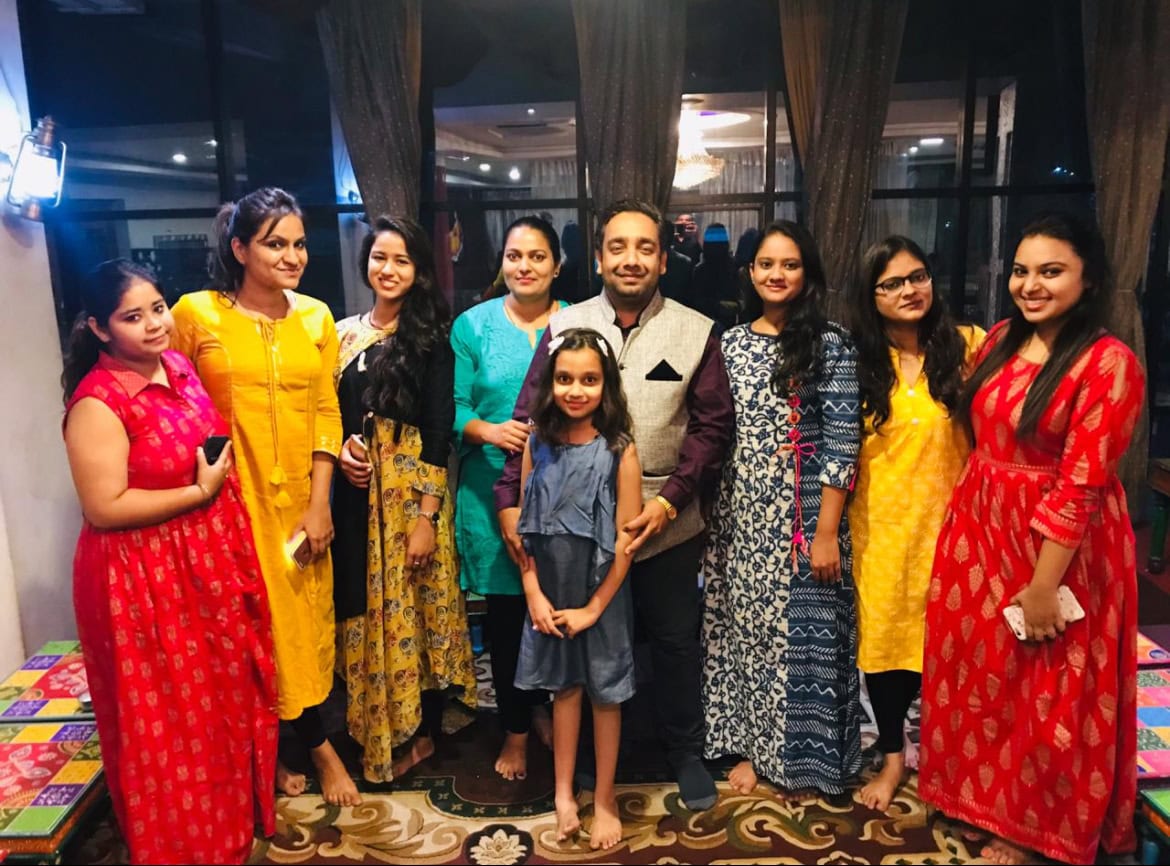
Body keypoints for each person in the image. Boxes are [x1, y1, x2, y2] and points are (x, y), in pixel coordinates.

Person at [495, 198, 734, 812]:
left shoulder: (696, 330)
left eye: (645, 248)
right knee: (580, 646)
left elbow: (711, 431)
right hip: (574, 534)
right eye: (618, 247)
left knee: (674, 641)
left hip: (664, 520)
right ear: (599, 258)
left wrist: (669, 504)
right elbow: (529, 420)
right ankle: (582, 768)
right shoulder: (566, 326)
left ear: (664, 259)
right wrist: (508, 502)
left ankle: (685, 751)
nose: (632, 259)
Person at [919, 213, 1143, 865]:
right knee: (983, 674)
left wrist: (1045, 585)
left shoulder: (1109, 363)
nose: (1030, 285)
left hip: (1058, 548)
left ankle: (1034, 828)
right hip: (980, 530)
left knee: (1050, 689)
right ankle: (979, 801)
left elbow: (1081, 485)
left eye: (1051, 272)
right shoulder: (998, 340)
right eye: (1021, 271)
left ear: (1088, 278)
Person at [63, 260, 277, 864]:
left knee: (219, 707)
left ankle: (227, 834)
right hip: (140, 578)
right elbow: (105, 507)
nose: (155, 324)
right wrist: (199, 493)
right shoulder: (98, 402)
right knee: (165, 723)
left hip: (203, 564)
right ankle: (180, 850)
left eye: (158, 308)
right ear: (99, 328)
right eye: (133, 317)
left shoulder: (178, 367)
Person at [170, 187, 357, 806]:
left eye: (299, 244)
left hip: (300, 502)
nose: (292, 256)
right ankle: (280, 749)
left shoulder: (316, 318)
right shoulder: (197, 314)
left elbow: (326, 411)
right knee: (244, 629)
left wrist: (321, 501)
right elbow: (173, 400)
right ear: (239, 249)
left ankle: (307, 743)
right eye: (275, 244)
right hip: (226, 502)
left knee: (300, 629)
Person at [701, 220, 863, 799]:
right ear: (750, 272)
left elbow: (843, 443)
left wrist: (826, 532)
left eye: (790, 264)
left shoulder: (832, 343)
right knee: (746, 635)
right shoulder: (729, 343)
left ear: (807, 273)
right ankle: (754, 749)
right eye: (766, 264)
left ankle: (809, 762)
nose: (777, 274)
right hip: (740, 518)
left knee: (808, 643)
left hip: (804, 520)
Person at [332, 216, 477, 783]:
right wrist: (342, 448)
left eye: (402, 260)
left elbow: (438, 433)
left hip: (411, 500)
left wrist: (425, 519)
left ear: (418, 271)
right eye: (379, 257)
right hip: (356, 497)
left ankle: (420, 734)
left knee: (415, 617)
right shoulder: (340, 334)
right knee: (365, 613)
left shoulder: (430, 340)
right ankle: (374, 728)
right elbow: (330, 415)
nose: (388, 269)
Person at [846, 236, 985, 812]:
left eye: (918, 277)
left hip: (956, 527)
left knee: (951, 648)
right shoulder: (856, 361)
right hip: (880, 531)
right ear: (871, 296)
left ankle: (953, 759)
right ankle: (894, 757)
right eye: (893, 283)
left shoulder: (970, 346)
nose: (909, 290)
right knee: (885, 648)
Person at [513, 327, 641, 849]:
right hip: (551, 589)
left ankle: (605, 797)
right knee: (563, 689)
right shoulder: (537, 443)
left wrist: (593, 607)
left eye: (589, 380)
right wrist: (533, 591)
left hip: (601, 595)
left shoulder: (619, 450)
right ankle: (564, 793)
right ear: (550, 382)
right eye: (564, 379)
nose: (576, 390)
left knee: (605, 693)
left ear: (606, 385)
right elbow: (525, 527)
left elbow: (626, 542)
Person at [450, 216, 566, 781]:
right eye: (515, 255)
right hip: (490, 492)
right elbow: (450, 408)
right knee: (506, 621)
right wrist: (490, 430)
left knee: (555, 611)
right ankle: (515, 731)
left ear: (557, 266)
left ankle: (545, 709)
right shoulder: (472, 326)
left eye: (537, 256)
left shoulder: (578, 322)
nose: (525, 266)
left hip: (565, 492)